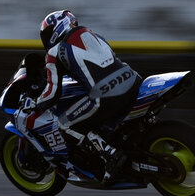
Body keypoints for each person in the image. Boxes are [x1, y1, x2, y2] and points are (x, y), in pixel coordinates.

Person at [14, 10, 142, 183]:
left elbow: (53, 93)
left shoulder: (54, 52)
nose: (46, 38)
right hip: (132, 80)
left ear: (56, 28)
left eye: (47, 33)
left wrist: (36, 104)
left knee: (64, 123)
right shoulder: (94, 35)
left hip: (105, 96)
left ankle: (111, 156)